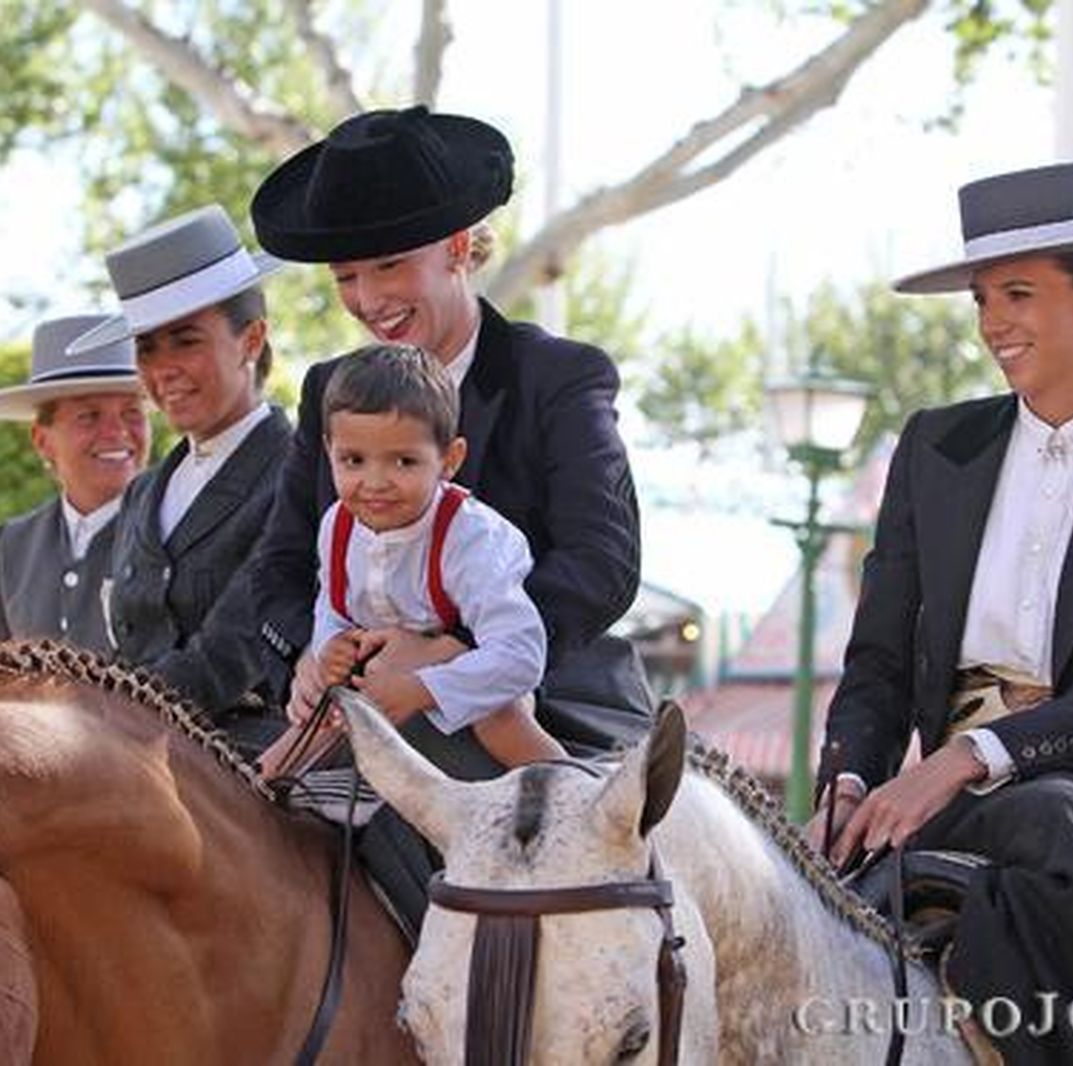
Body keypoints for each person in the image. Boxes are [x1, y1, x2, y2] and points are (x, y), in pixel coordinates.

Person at [807, 161, 1073, 1065]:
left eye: (1016, 293)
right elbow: (879, 659)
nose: (991, 323)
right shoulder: (934, 447)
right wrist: (847, 783)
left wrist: (968, 758)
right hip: (935, 803)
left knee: (1044, 825)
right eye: (980, 299)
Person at [245, 104, 654, 782]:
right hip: (361, 712)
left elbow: (601, 562)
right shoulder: (327, 390)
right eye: (346, 277)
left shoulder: (559, 375)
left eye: (389, 266)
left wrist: (448, 653)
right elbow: (281, 569)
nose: (368, 298)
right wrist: (319, 658)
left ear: (459, 249)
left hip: (545, 707)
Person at [67, 204, 293, 738]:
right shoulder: (144, 492)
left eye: (186, 341)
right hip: (135, 743)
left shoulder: (298, 471)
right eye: (146, 349)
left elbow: (233, 649)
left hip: (252, 762)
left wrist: (107, 721)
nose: (162, 370)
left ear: (251, 340)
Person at [310, 344, 566, 768]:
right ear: (329, 450)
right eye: (353, 460)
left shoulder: (470, 537)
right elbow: (332, 603)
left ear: (449, 459)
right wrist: (329, 644)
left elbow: (520, 654)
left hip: (469, 664)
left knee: (500, 721)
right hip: (381, 671)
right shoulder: (335, 526)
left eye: (404, 462)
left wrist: (425, 688)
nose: (374, 482)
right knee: (302, 731)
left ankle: (579, 799)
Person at [0, 314, 150, 652]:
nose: (117, 432)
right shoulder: (10, 547)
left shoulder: (174, 531)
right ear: (42, 440)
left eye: (132, 413)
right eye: (89, 416)